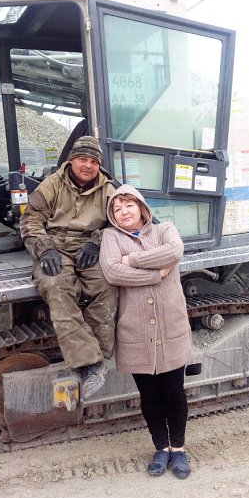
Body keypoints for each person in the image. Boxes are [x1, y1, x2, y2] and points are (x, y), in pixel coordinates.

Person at [99, 184, 192, 479]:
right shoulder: (110, 237)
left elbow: (174, 251)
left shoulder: (165, 230)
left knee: (174, 392)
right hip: (135, 330)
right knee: (149, 395)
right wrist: (157, 273)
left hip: (170, 324)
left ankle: (178, 449)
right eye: (117, 208)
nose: (124, 212)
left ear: (141, 207)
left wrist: (132, 260)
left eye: (129, 205)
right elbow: (112, 271)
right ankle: (161, 447)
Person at [20, 136, 118, 398]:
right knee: (57, 286)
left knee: (107, 286)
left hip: (89, 248)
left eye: (93, 161)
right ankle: (88, 362)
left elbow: (119, 223)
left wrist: (97, 242)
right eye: (82, 159)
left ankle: (99, 358)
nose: (88, 165)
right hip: (55, 246)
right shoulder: (52, 184)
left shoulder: (108, 190)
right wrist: (45, 249)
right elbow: (31, 220)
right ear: (71, 160)